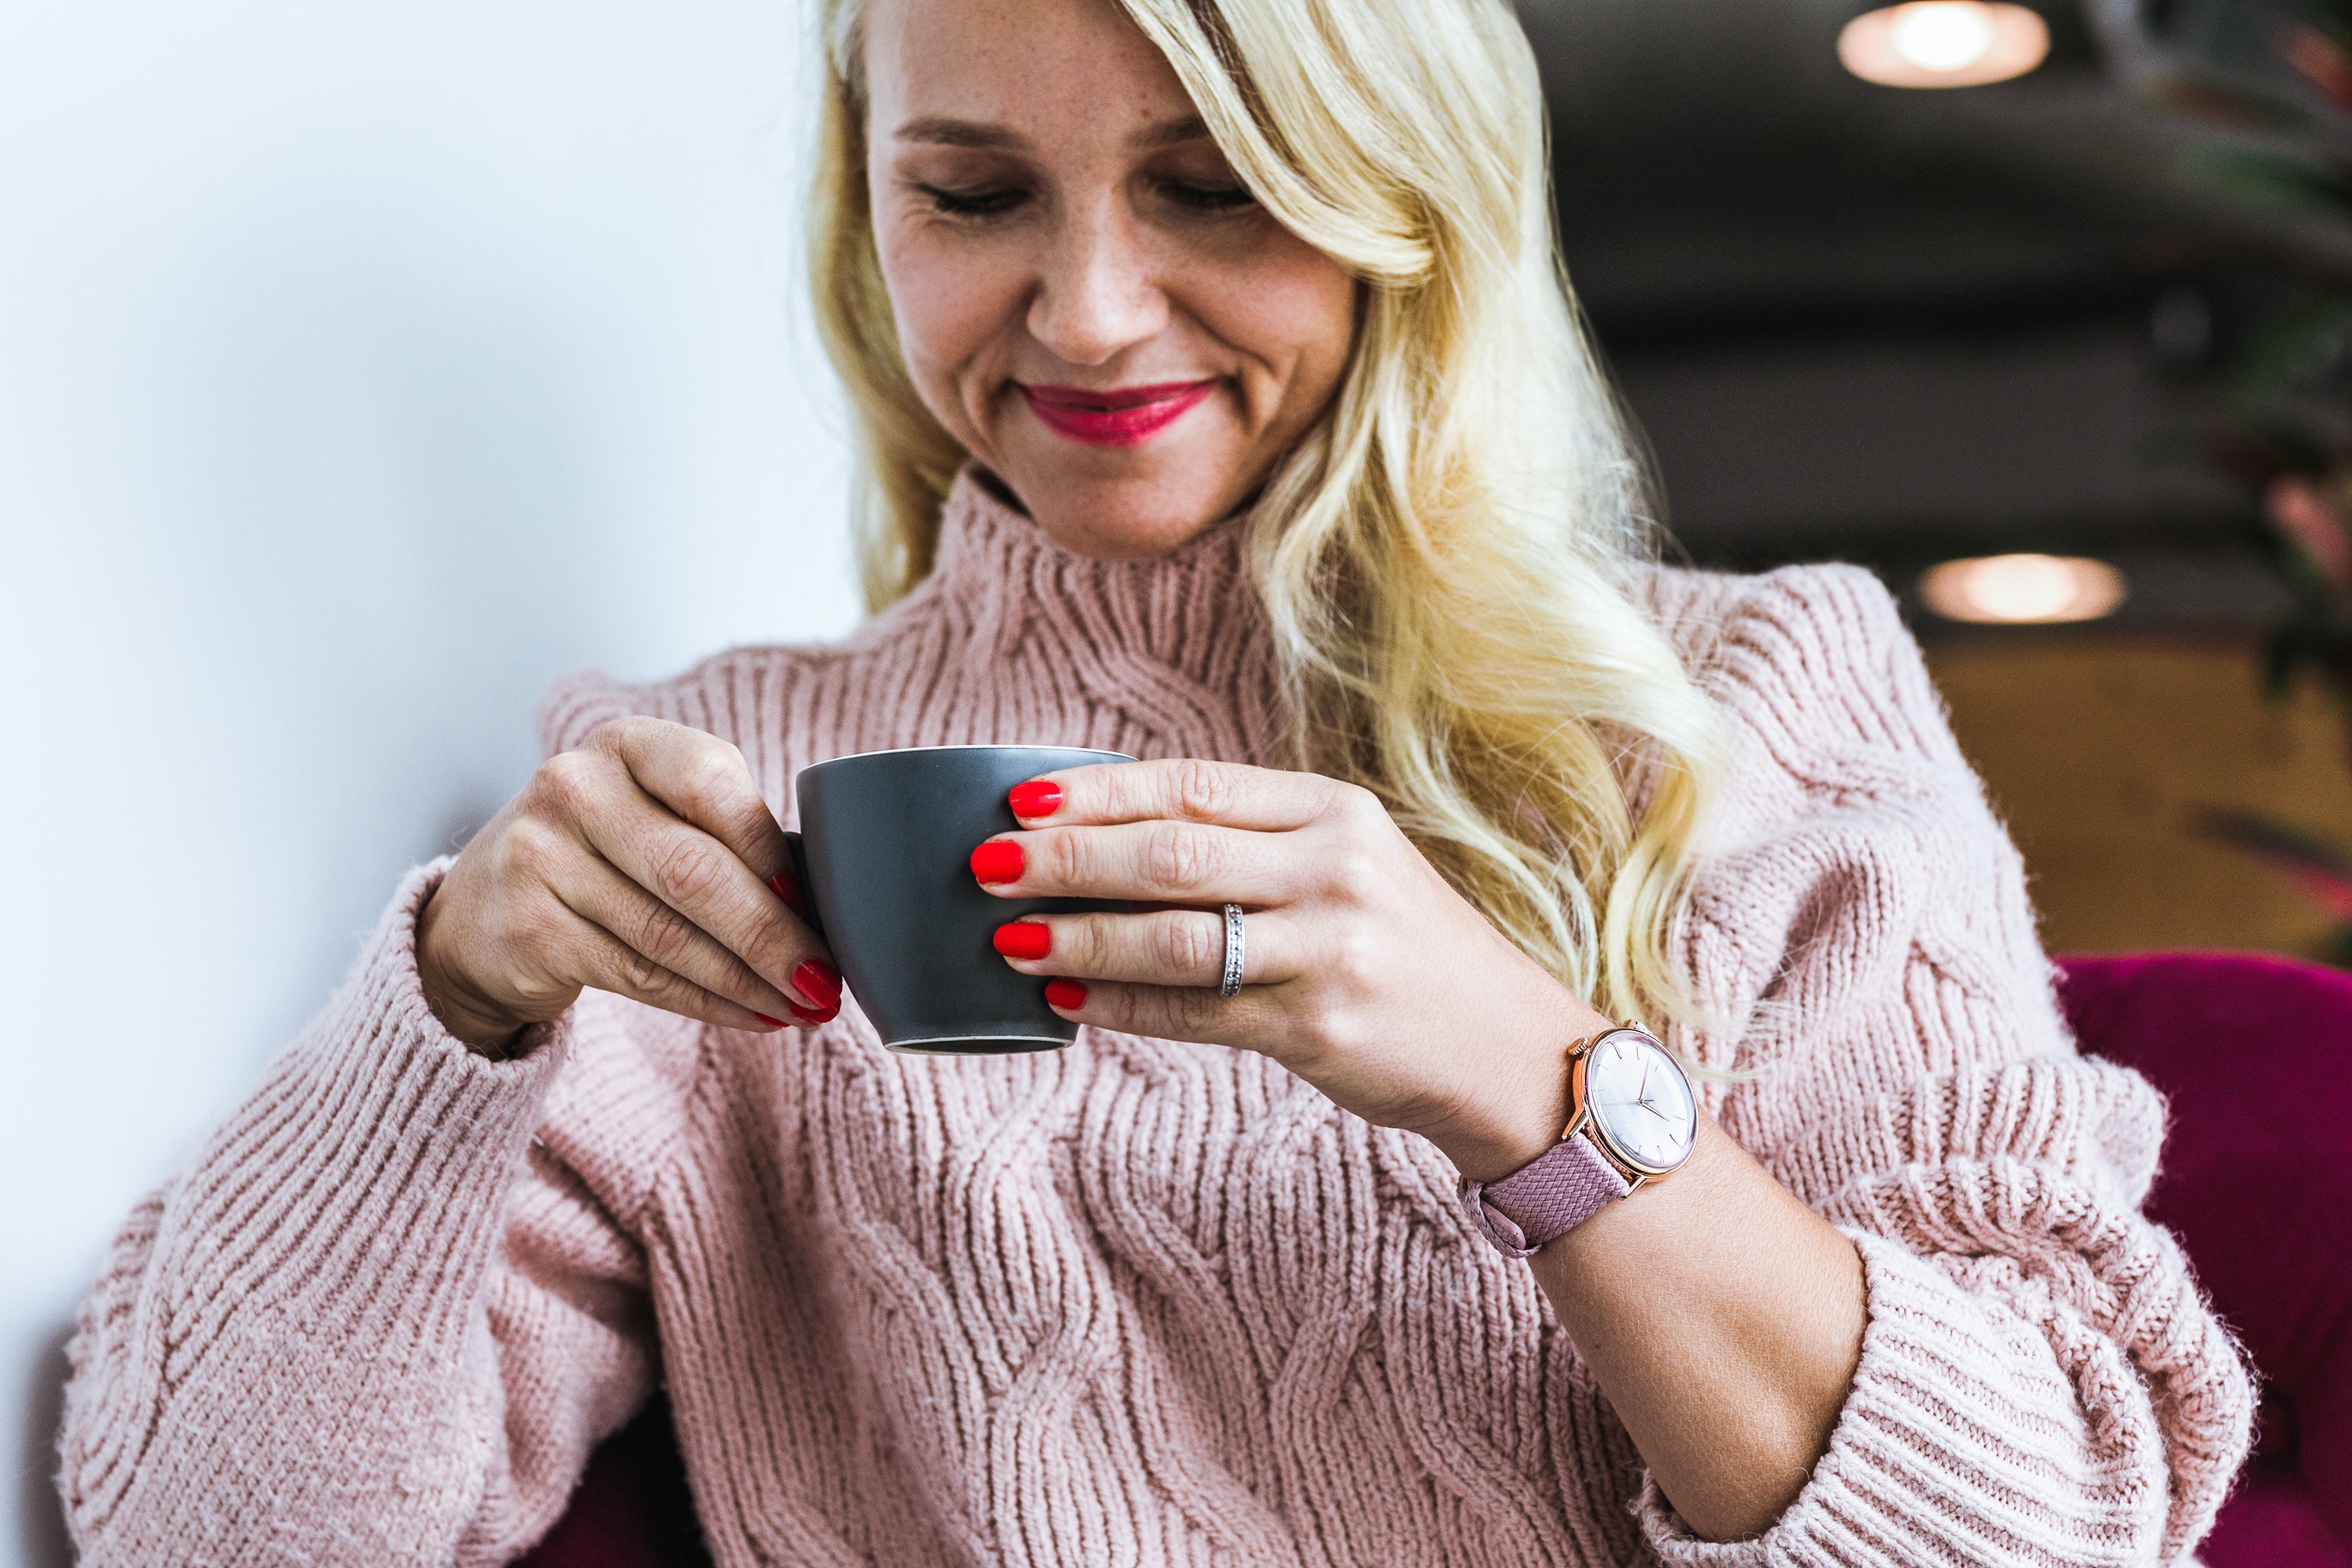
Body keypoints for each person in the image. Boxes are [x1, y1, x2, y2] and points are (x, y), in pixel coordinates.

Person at [56, 0, 2253, 1561]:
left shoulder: (1754, 699)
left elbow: (2052, 1518)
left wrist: (1529, 1080)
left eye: (1213, 188)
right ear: (869, 210)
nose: (1090, 311)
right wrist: (451, 995)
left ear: (1404, 201)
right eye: (973, 190)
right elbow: (196, 1533)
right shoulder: (713, 794)